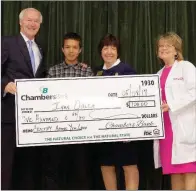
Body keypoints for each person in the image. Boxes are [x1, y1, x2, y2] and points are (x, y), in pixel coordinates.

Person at [1, 8, 46, 189]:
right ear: (20, 22)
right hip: (9, 115)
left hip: (31, 120)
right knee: (5, 165)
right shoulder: (7, 42)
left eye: (36, 21)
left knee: (27, 167)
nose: (33, 23)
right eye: (29, 20)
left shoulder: (40, 48)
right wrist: (4, 85)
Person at [42, 32, 93, 189]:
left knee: (80, 172)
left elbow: (92, 99)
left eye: (74, 47)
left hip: (80, 132)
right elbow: (47, 101)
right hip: (58, 131)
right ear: (62, 49)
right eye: (67, 47)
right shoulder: (53, 71)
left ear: (80, 50)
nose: (71, 50)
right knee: (55, 170)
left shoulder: (87, 72)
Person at [94, 33, 139, 190]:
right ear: (100, 51)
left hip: (124, 127)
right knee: (106, 166)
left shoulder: (127, 70)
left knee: (129, 165)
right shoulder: (96, 72)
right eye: (105, 48)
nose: (109, 52)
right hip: (102, 129)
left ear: (118, 51)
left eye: (113, 48)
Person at [153, 32, 196, 190]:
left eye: (168, 45)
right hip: (166, 130)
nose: (163, 48)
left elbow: (194, 92)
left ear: (176, 50)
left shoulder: (186, 67)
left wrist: (171, 104)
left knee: (189, 171)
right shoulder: (158, 74)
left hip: (183, 127)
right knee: (174, 172)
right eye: (161, 46)